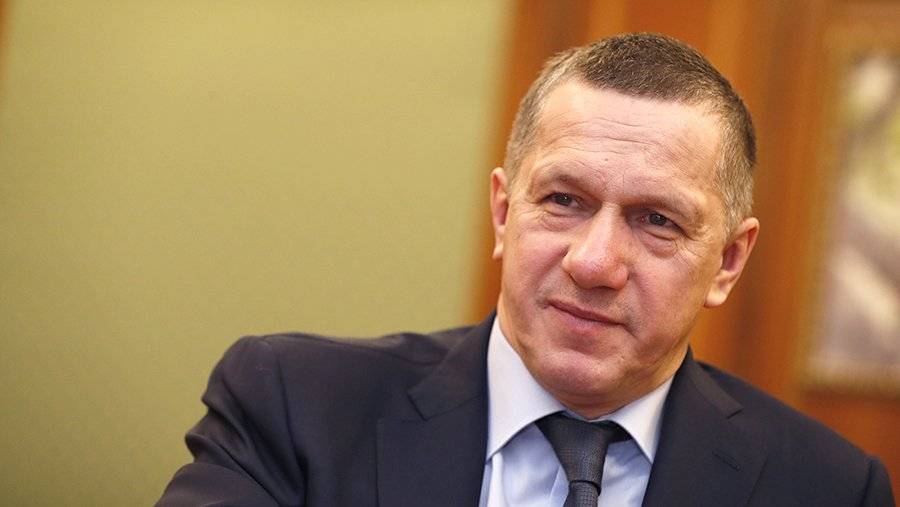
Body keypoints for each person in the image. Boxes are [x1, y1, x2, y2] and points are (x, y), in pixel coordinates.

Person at [157, 33, 894, 506]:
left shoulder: (828, 487)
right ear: (504, 212)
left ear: (728, 261)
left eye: (656, 220)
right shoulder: (296, 407)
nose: (594, 262)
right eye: (564, 200)